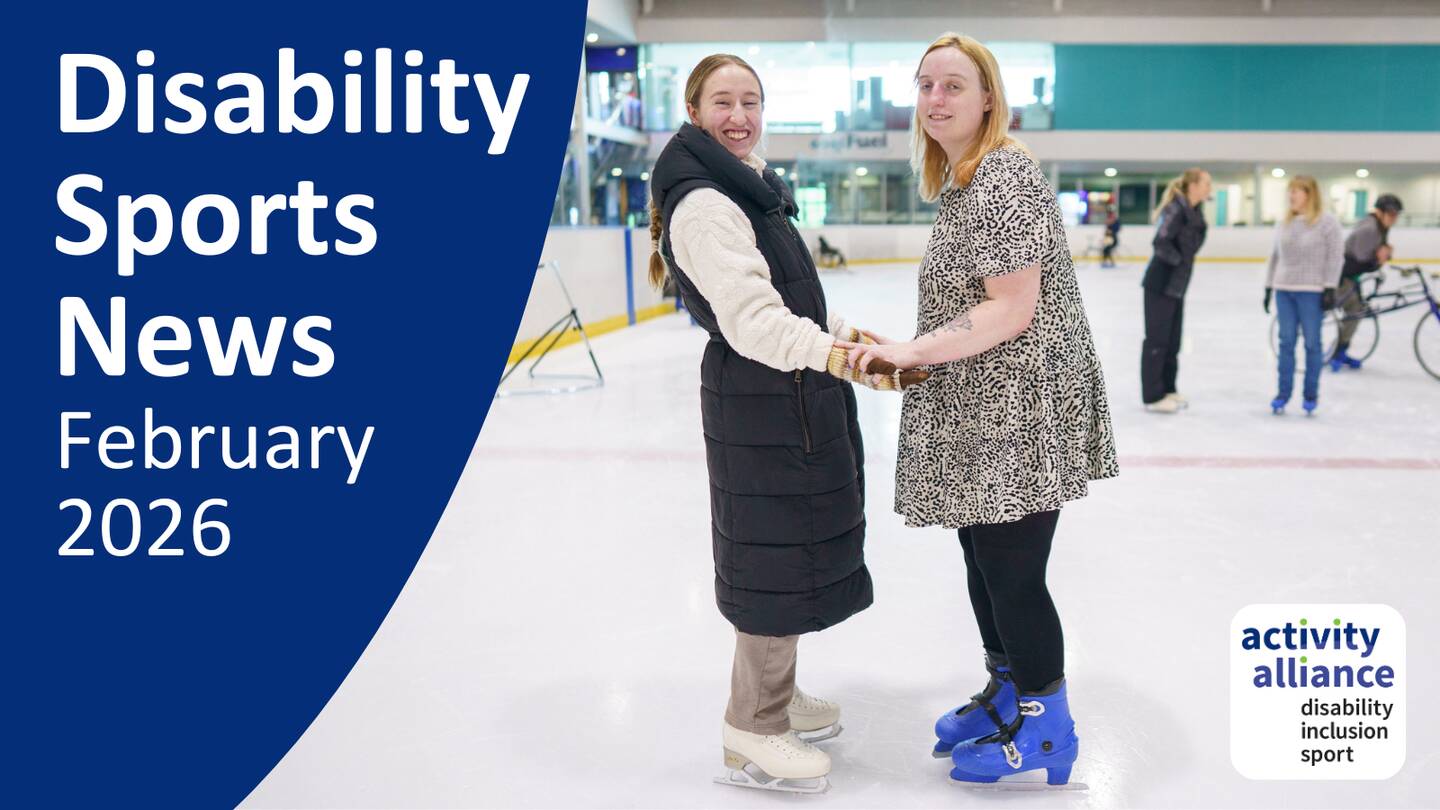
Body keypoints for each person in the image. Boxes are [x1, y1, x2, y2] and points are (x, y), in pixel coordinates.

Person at [837, 33, 1118, 788]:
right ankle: (1008, 689)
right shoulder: (966, 181)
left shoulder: (1004, 178)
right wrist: (910, 346)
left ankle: (1048, 726)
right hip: (982, 401)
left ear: (989, 97)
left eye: (954, 85)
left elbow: (1010, 309)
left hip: (1020, 406)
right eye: (925, 84)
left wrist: (915, 350)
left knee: (1012, 570)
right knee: (983, 557)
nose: (935, 99)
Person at [647, 54, 927, 794]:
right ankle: (753, 725)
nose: (739, 116)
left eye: (751, 101)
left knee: (791, 545)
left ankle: (777, 692)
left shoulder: (748, 187)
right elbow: (754, 322)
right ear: (694, 112)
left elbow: (790, 303)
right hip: (763, 396)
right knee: (773, 555)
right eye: (722, 102)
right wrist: (843, 360)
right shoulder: (708, 204)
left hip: (785, 394)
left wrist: (848, 337)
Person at [1263, 175, 1343, 416]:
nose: (1291, 196)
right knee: (1286, 342)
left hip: (1312, 291)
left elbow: (1335, 256)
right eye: (1290, 191)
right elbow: (1275, 256)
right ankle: (1283, 393)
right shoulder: (1284, 223)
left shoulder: (1327, 223)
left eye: (1296, 191)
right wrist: (1268, 286)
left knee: (1312, 343)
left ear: (1310, 195)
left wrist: (1330, 286)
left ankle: (1310, 394)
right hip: (1284, 290)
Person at [1140, 168, 1211, 414]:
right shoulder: (1176, 209)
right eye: (1206, 183)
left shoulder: (1195, 211)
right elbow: (1160, 242)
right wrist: (1179, 262)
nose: (1209, 188)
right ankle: (1153, 396)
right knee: (1157, 340)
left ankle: (1168, 388)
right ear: (1193, 186)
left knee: (1173, 341)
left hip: (1177, 285)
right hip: (1161, 283)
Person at [1332, 193, 1403, 370]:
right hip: (1341, 276)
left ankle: (1340, 350)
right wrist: (1379, 259)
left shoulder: (1380, 226)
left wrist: (1382, 255)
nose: (1394, 218)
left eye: (1396, 214)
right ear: (1379, 212)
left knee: (1357, 311)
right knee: (1354, 311)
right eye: (1391, 214)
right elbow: (1361, 262)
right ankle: (1337, 353)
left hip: (1349, 275)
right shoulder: (1370, 229)